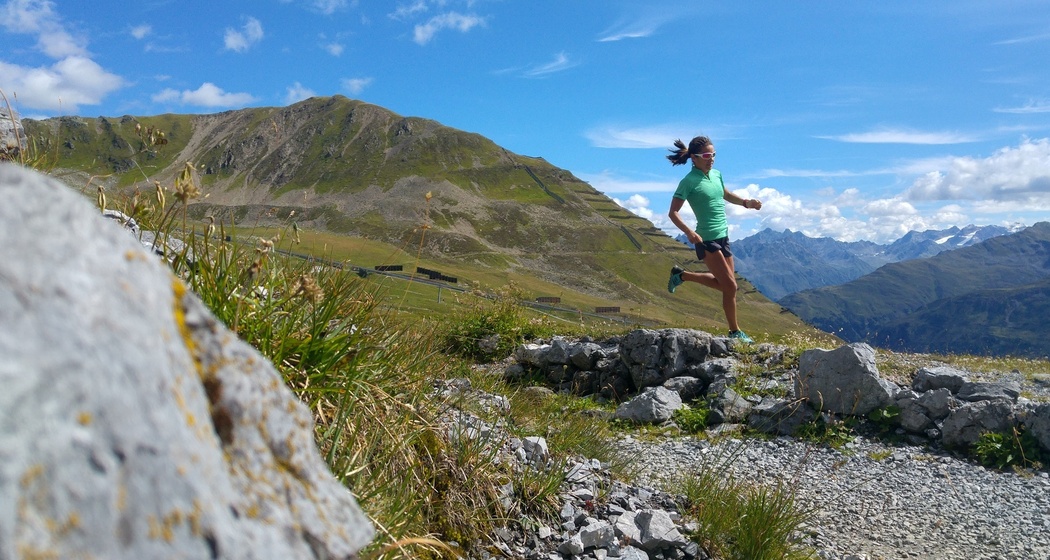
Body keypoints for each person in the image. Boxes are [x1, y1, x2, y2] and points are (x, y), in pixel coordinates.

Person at [665, 135, 762, 343]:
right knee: (730, 287)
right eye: (707, 155)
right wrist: (689, 232)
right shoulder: (688, 181)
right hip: (706, 239)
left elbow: (725, 194)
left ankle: (681, 276)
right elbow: (673, 213)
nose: (712, 159)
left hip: (723, 237)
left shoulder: (716, 175)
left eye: (714, 154)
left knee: (727, 285)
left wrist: (747, 203)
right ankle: (735, 332)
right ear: (695, 158)